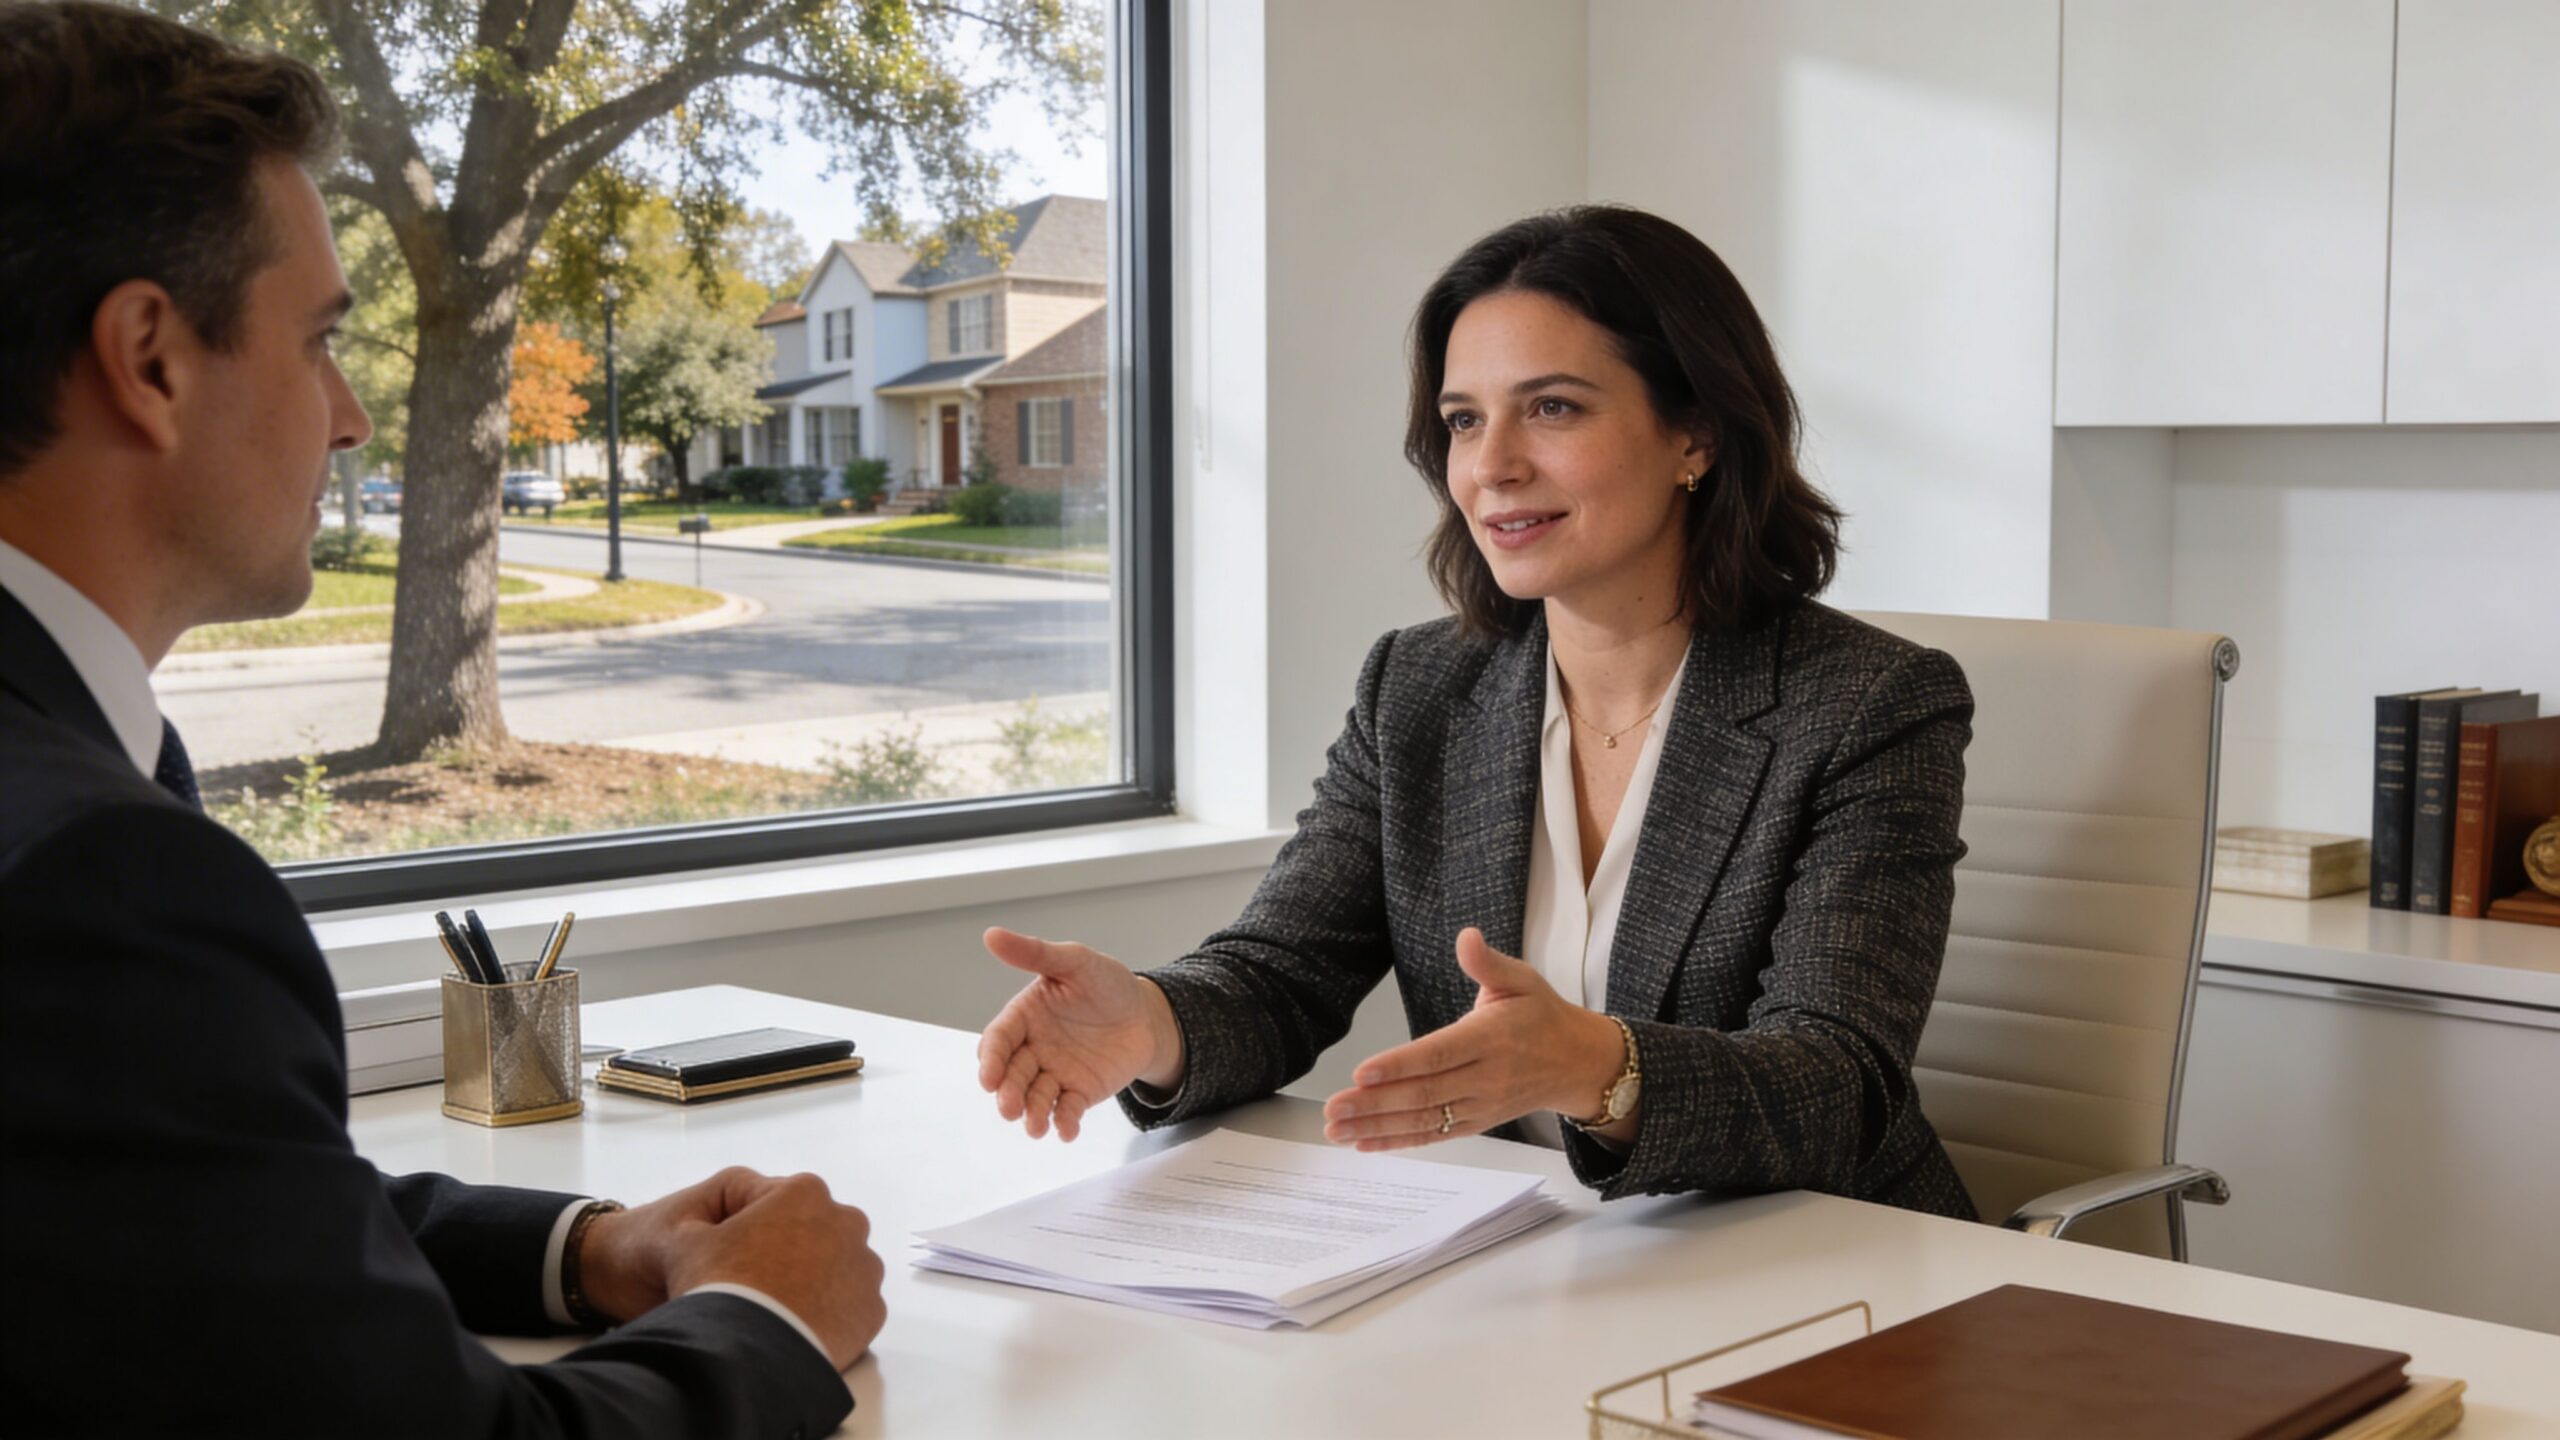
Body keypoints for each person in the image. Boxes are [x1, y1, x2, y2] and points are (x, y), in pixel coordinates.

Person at [0, 5, 883, 1434]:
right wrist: (768, 1315)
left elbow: (195, 1210)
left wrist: (589, 1250)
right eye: (319, 342)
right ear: (150, 357)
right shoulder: (97, 884)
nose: (348, 418)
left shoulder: (73, 783)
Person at [976, 206, 1978, 1218]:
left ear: (1696, 434)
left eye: (1551, 409)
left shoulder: (1867, 705)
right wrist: (1151, 1022)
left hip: (1829, 1267)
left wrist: (1596, 1066)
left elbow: (1837, 1087)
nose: (1490, 464)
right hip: (1547, 1259)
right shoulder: (1416, 689)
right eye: (1463, 420)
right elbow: (1283, 971)